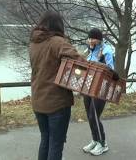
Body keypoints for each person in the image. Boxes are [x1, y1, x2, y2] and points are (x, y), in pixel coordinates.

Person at [29, 10, 86, 160]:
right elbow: (79, 61)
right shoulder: (57, 42)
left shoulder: (34, 43)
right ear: (58, 25)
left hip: (38, 100)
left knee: (45, 139)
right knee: (56, 143)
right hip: (56, 103)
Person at [82, 28, 118, 156]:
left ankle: (103, 144)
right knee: (89, 115)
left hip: (101, 87)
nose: (90, 40)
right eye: (89, 38)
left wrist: (101, 61)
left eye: (93, 38)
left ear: (99, 39)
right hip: (88, 86)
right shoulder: (90, 50)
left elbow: (110, 71)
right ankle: (95, 140)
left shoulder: (106, 51)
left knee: (94, 115)